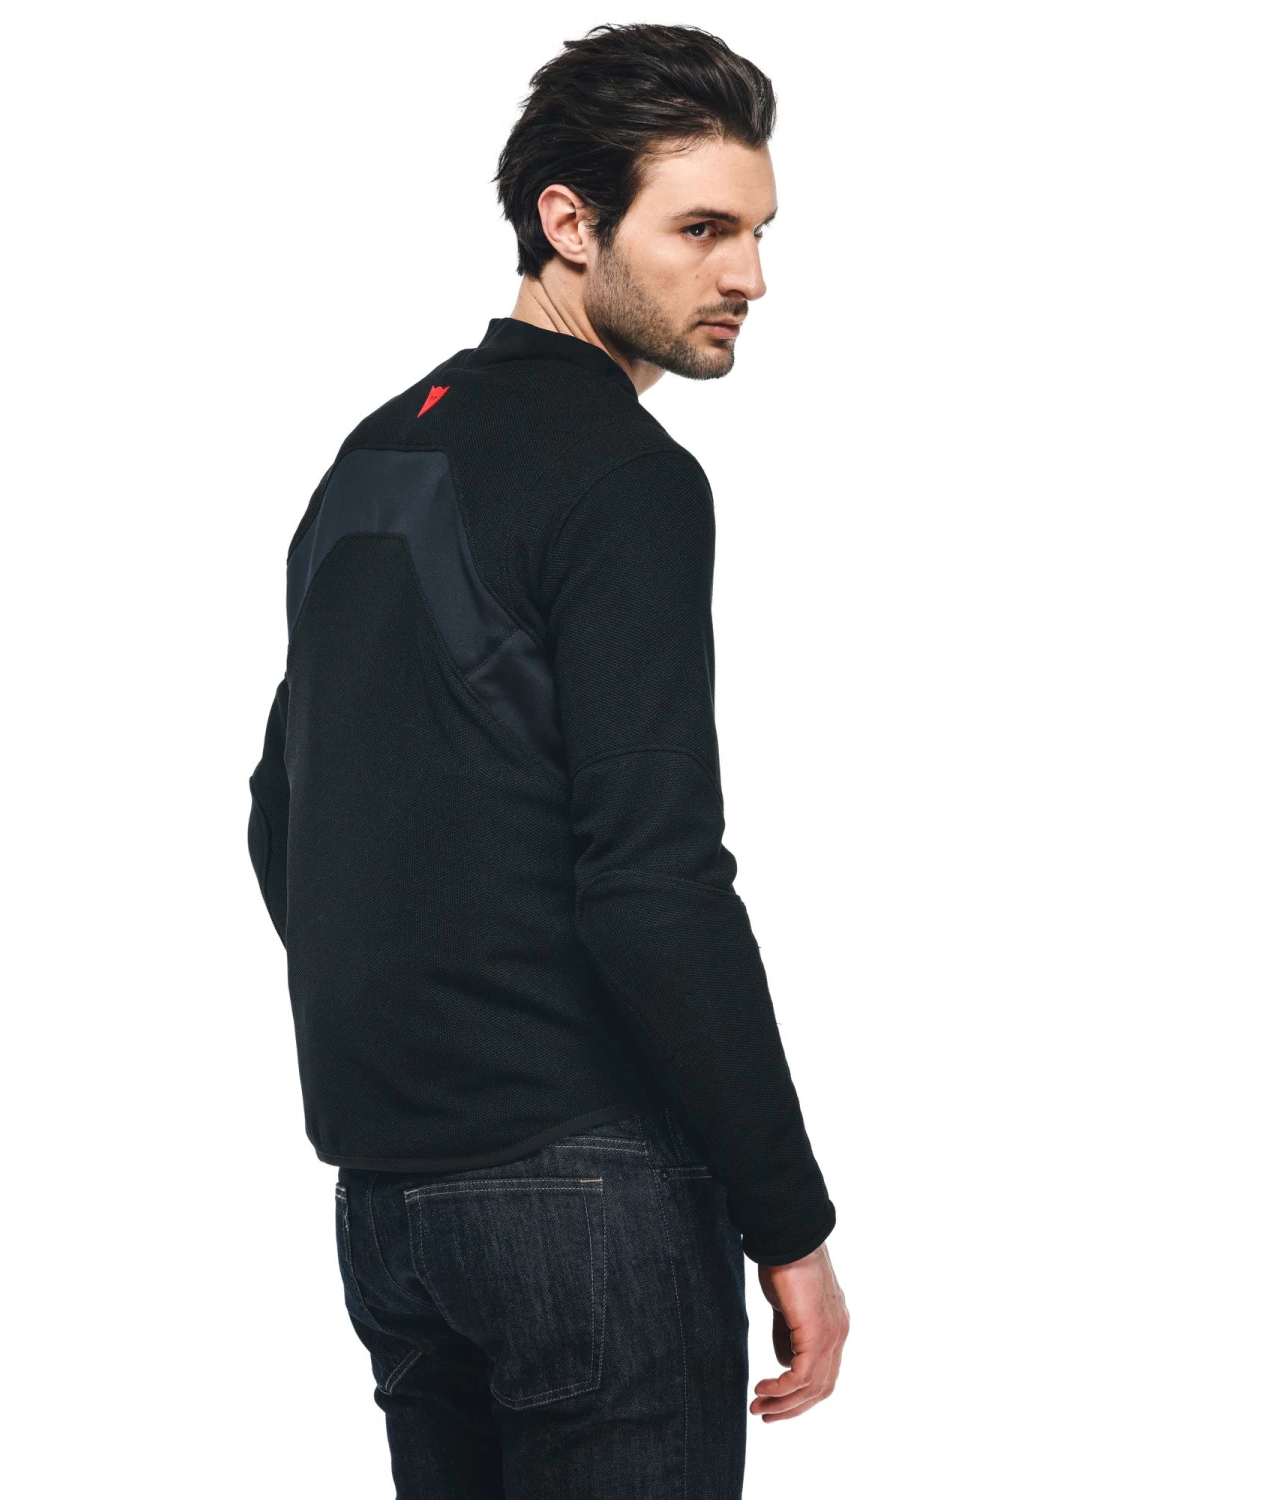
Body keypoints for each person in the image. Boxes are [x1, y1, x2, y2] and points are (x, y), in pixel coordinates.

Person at [247, 22, 849, 1498]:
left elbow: (282, 815)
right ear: (569, 223)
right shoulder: (629, 478)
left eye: (760, 232)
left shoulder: (378, 454)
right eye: (701, 230)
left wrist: (421, 1063)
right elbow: (654, 880)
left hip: (390, 1206)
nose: (749, 276)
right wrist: (790, 1221)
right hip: (587, 1196)